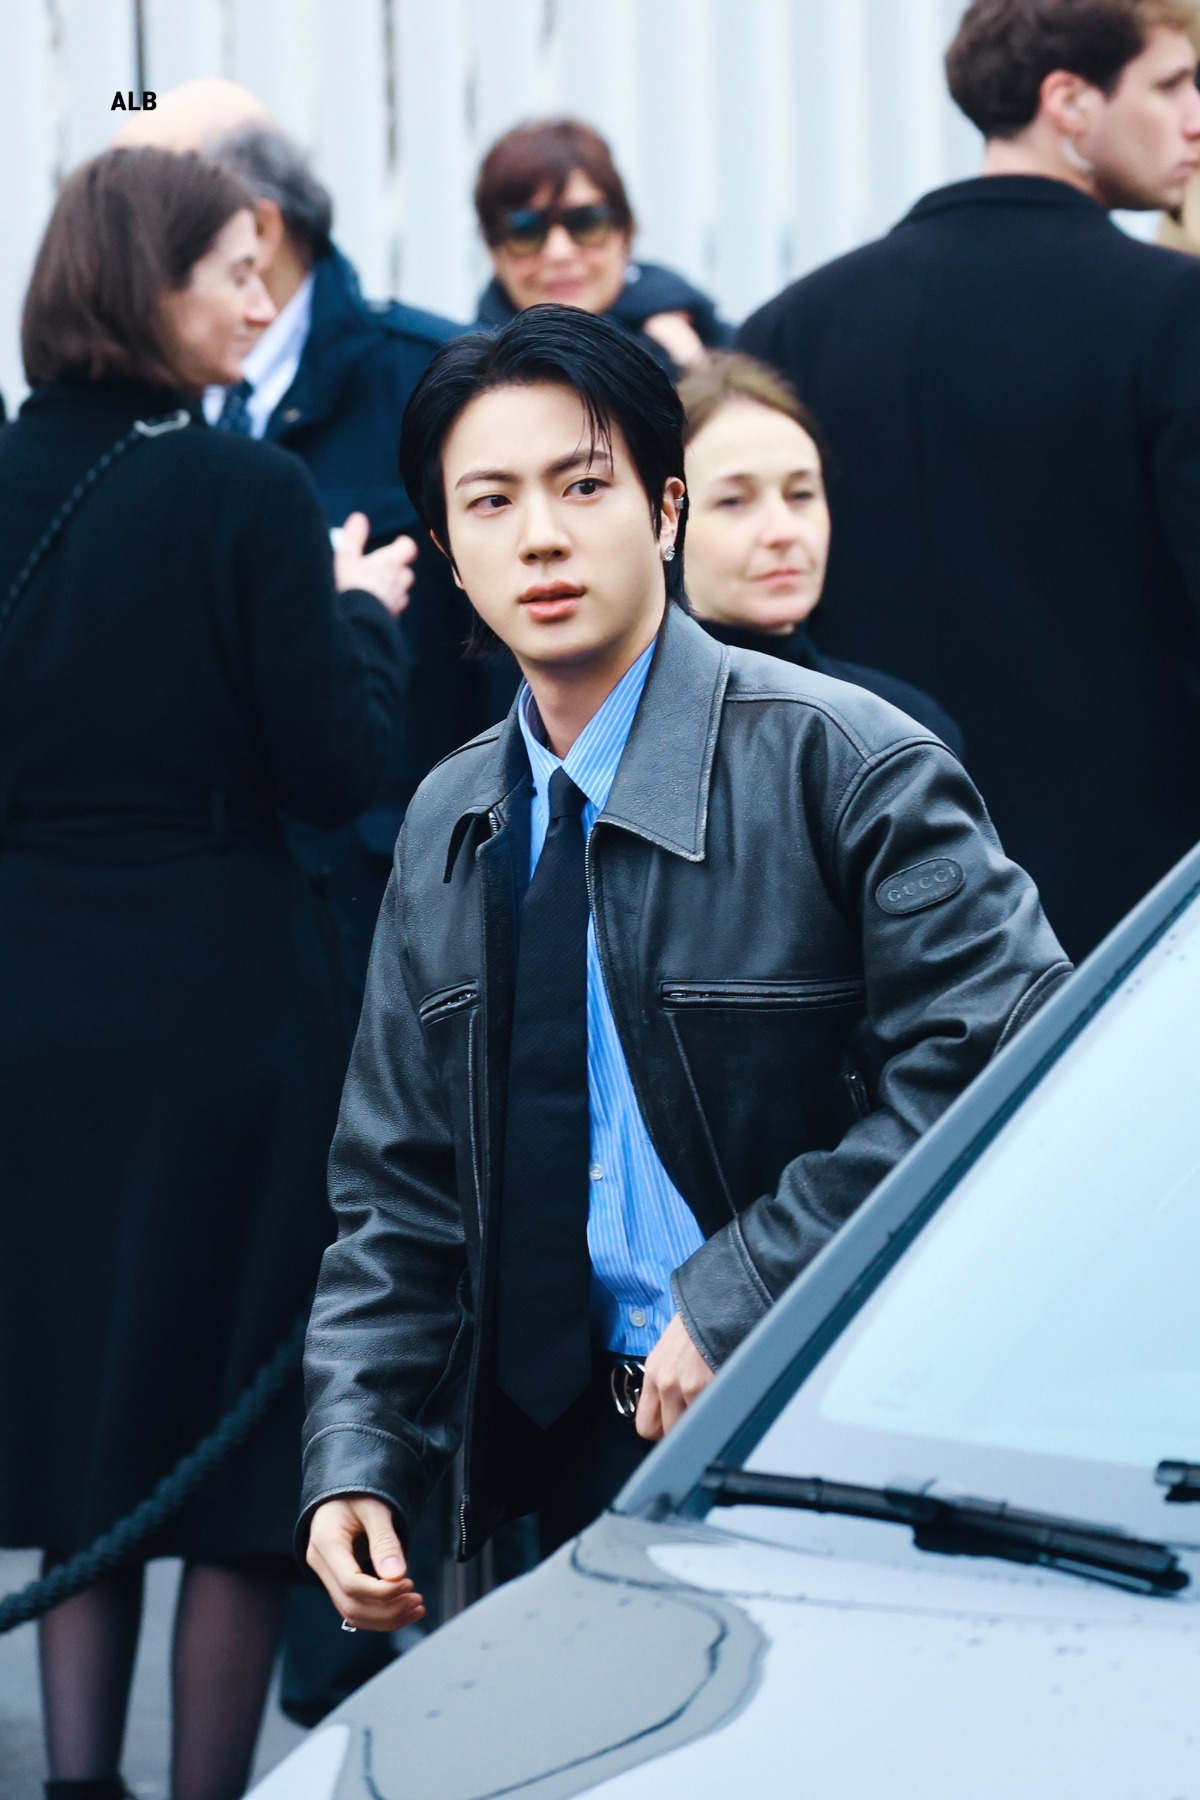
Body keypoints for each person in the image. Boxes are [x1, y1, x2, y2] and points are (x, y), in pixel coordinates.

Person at [296, 306, 1069, 1635]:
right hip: (540, 1458)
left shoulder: (847, 761)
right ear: (452, 555)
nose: (542, 536)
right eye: (491, 501)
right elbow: (398, 1184)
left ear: (663, 511)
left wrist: (743, 1296)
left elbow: (1006, 1060)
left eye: (583, 486)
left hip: (805, 1423)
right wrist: (357, 1448)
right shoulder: (448, 818)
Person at [0, 147, 410, 1800]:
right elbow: (334, 768)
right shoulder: (246, 493)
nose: (260, 299)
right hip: (225, 1011)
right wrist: (359, 612)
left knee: (90, 1413)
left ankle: (76, 1783)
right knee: (236, 1448)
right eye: (233, 269)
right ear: (145, 282)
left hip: (33, 1002)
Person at [739, 0, 1200, 964]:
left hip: (868, 899)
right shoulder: (1175, 312)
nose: (1195, 116)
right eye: (1172, 84)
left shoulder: (793, 324)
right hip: (1132, 923)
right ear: (1069, 102)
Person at [118, 84, 514, 1005]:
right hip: (195, 932)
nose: (121, 241)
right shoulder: (129, 407)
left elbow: (511, 661)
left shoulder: (433, 381)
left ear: (257, 227)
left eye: (149, 208)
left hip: (402, 911)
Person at [679, 352, 964, 754]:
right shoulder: (614, 731)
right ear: (664, 521)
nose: (783, 532)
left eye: (801, 494)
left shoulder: (902, 728)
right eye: (733, 501)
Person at [474, 118, 732, 377]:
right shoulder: (462, 380)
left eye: (586, 222)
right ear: (492, 249)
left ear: (625, 231)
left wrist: (698, 378)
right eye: (525, 229)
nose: (559, 252)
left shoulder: (724, 345)